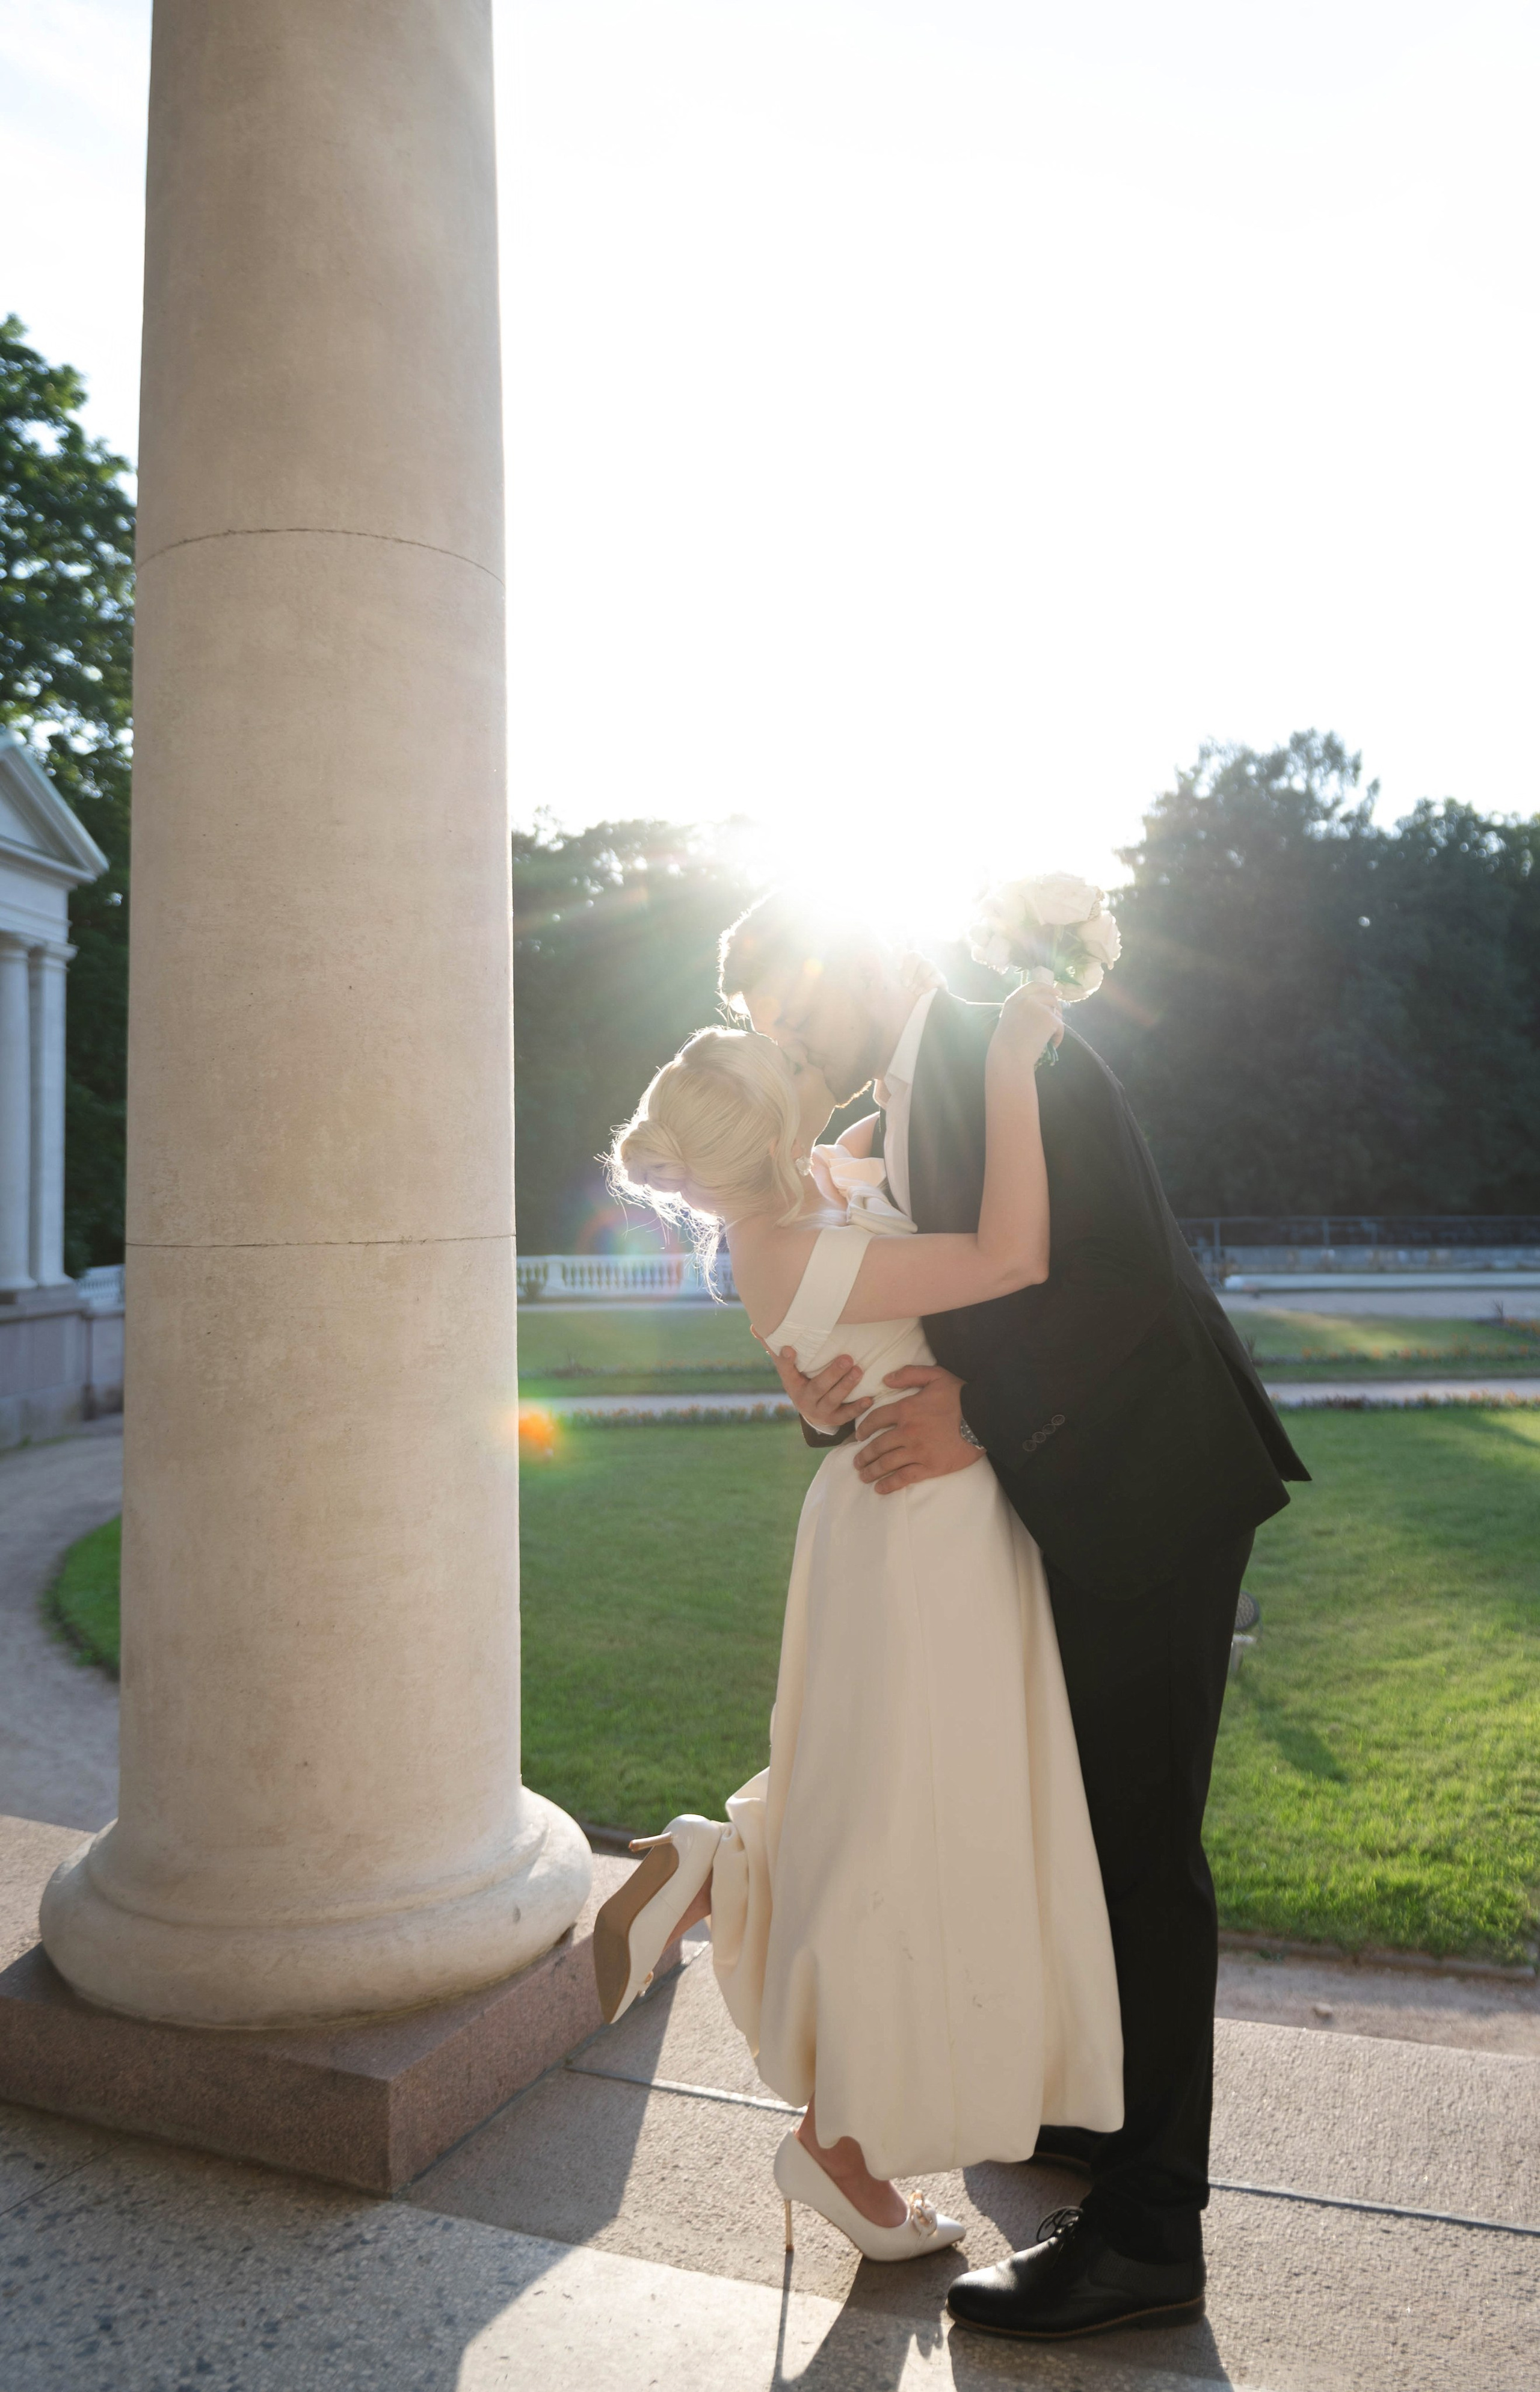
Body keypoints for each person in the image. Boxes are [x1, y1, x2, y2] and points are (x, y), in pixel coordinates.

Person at [721, 892, 1309, 2338]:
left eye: (797, 1014)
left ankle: (1148, 2236)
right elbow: (901, 1300)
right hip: (1061, 1495)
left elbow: (1122, 1274)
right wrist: (830, 1394)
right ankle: (1094, 2125)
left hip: (1152, 1489)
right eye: (769, 1033)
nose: (792, 1050)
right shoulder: (906, 1092)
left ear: (864, 958)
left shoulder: (1005, 1042)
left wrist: (981, 1411)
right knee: (1078, 1826)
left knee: (1139, 1852)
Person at [593, 975, 1125, 2266]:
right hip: (921, 1525)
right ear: (774, 1128)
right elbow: (1010, 1258)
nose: (797, 1049)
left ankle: (741, 1900)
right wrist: (1011, 1055)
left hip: (890, 1508)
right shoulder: (800, 1235)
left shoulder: (796, 1207)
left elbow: (884, 1135)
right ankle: (820, 2086)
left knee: (884, 1798)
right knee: (916, 1820)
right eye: (779, 1055)